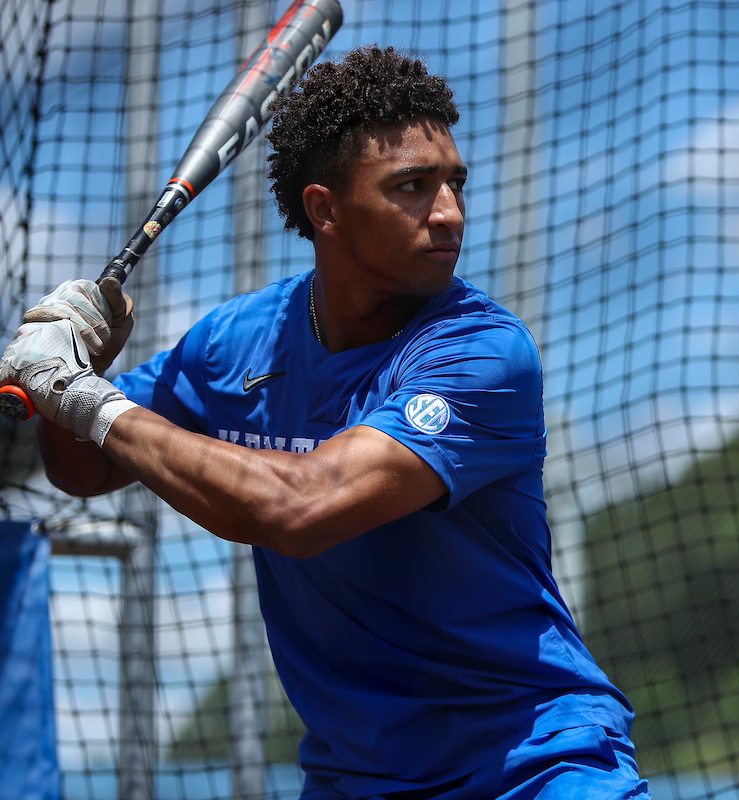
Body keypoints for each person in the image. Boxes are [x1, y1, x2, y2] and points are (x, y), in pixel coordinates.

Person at [0, 46, 649, 800]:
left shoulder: (483, 350)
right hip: (356, 777)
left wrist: (81, 395)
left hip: (529, 762)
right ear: (324, 209)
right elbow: (83, 469)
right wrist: (74, 379)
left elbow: (299, 509)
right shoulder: (236, 341)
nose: (449, 213)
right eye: (413, 187)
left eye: (455, 184)